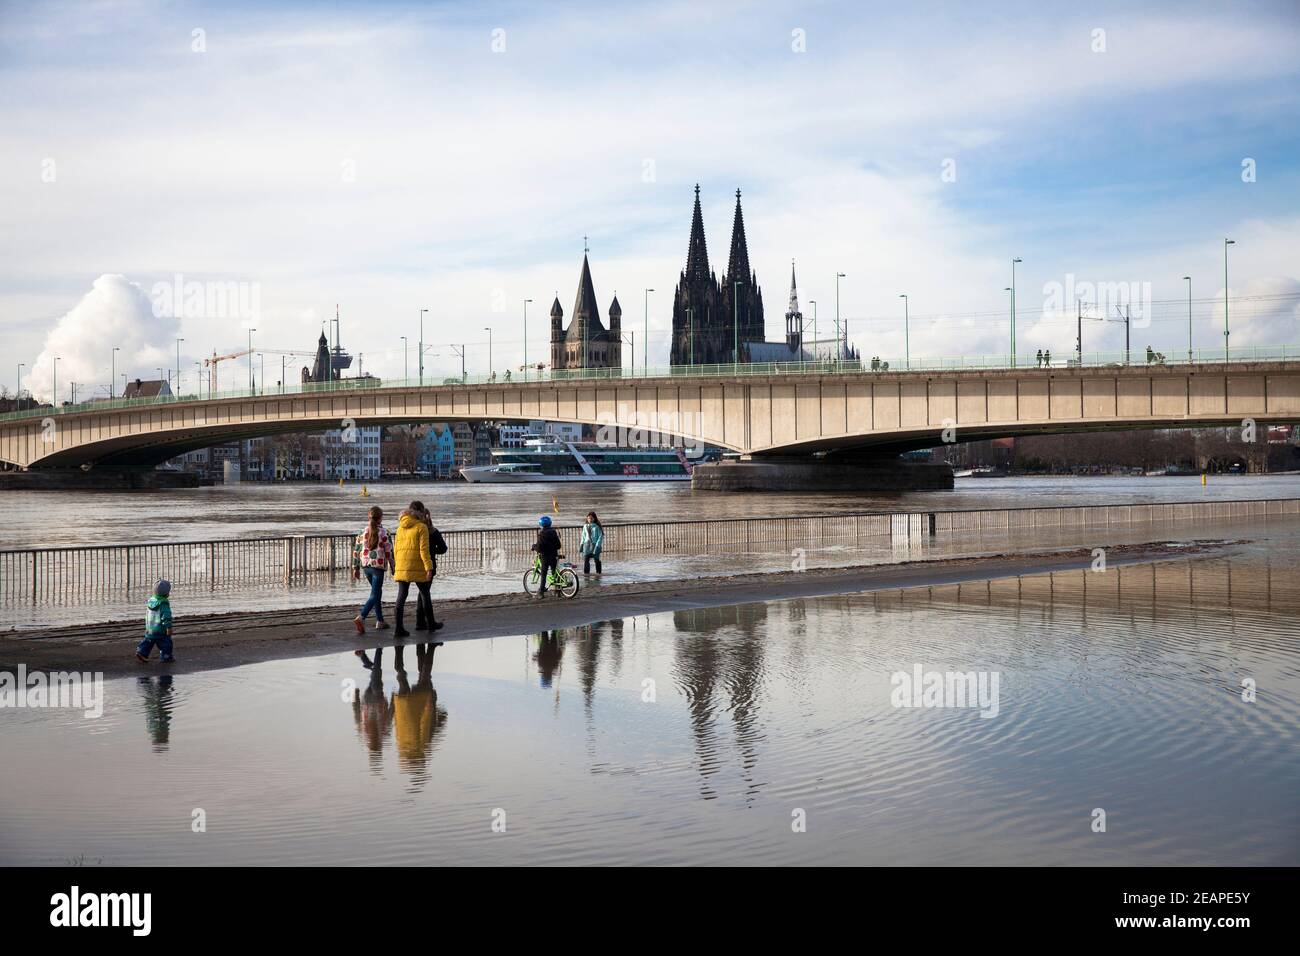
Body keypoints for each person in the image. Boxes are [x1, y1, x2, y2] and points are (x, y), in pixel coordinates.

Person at [392, 500, 434, 637]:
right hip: (417, 566)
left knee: (401, 597)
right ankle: (431, 624)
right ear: (421, 513)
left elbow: (396, 549)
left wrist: (397, 566)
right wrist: (429, 568)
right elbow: (424, 550)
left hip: (402, 566)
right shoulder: (422, 527)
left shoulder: (400, 528)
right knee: (425, 594)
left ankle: (398, 628)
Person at [352, 506, 394, 633]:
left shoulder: (361, 532)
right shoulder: (385, 532)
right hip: (378, 567)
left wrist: (356, 568)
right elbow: (389, 552)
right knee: (375, 594)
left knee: (377, 593)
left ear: (368, 517)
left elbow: (356, 551)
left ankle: (380, 621)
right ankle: (361, 616)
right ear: (381, 518)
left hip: (366, 566)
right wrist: (393, 566)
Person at [413, 506, 447, 632]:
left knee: (421, 594)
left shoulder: (416, 530)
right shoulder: (433, 531)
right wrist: (433, 551)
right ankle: (425, 622)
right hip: (429, 566)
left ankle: (420, 621)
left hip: (416, 565)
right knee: (425, 594)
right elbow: (443, 548)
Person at [135, 579, 175, 664]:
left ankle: (141, 652)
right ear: (166, 593)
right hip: (160, 629)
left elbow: (147, 614)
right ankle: (166, 656)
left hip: (150, 628)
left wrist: (147, 626)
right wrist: (168, 627)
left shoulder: (151, 600)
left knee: (148, 641)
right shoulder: (163, 603)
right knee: (166, 643)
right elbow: (166, 616)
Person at [530, 515, 562, 597]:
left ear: (541, 524)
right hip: (554, 555)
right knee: (555, 572)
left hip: (545, 556)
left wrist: (533, 546)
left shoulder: (542, 533)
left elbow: (540, 548)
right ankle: (557, 591)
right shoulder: (553, 532)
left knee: (543, 574)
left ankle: (541, 593)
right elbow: (558, 545)